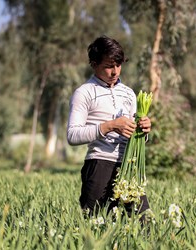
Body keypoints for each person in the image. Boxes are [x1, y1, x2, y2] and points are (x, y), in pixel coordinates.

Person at [67, 36, 152, 217]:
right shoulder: (84, 92)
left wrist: (143, 130)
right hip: (99, 164)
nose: (115, 71)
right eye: (108, 66)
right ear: (94, 64)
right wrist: (110, 126)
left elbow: (133, 133)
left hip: (129, 166)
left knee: (144, 223)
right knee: (94, 223)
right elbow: (73, 135)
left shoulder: (129, 93)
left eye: (118, 65)